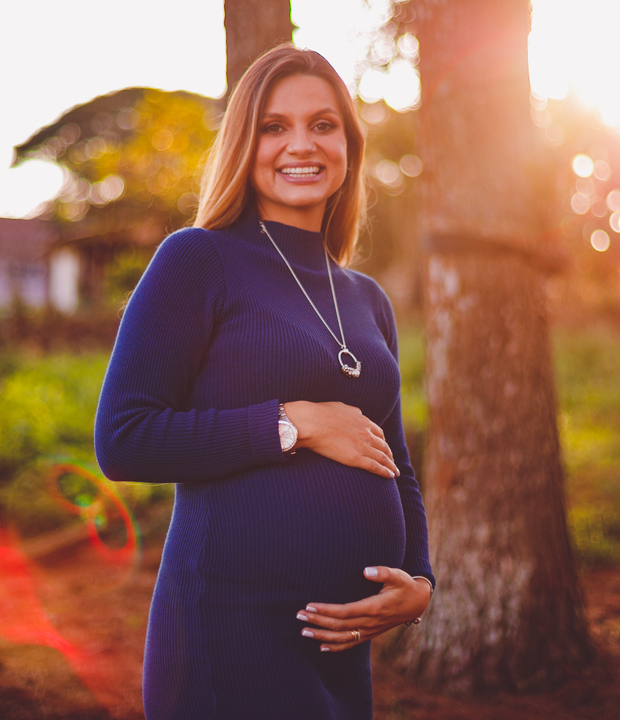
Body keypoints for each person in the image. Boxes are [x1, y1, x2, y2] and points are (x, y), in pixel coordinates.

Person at [94, 44, 433, 720]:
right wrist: (293, 422)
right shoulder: (198, 260)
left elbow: (394, 463)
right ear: (244, 145)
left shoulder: (366, 299)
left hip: (340, 649)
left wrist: (421, 580)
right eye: (274, 127)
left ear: (348, 145)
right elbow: (125, 437)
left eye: (323, 125)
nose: (300, 145)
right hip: (228, 633)